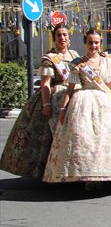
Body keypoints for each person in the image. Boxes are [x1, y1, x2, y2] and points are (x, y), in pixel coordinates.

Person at [43, 30, 111, 183]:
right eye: (90, 42)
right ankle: (87, 177)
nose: (94, 45)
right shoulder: (79, 63)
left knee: (105, 140)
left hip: (105, 102)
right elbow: (70, 88)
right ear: (85, 43)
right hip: (82, 101)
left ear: (100, 44)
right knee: (83, 139)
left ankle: (107, 173)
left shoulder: (107, 62)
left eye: (97, 43)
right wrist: (63, 109)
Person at [1, 23, 78, 179]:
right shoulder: (50, 58)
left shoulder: (74, 55)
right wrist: (46, 104)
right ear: (54, 38)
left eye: (65, 35)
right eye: (59, 35)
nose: (62, 38)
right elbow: (45, 84)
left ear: (69, 38)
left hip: (73, 94)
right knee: (52, 134)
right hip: (55, 96)